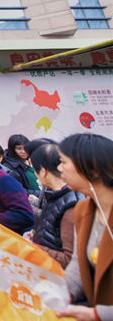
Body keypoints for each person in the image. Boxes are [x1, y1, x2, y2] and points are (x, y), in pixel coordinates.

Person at [55, 133, 113, 321]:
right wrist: (60, 293)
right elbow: (78, 264)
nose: (59, 168)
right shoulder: (82, 210)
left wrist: (99, 314)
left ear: (93, 169)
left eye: (63, 162)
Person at [29, 144, 84, 268]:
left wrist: (32, 248)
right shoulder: (56, 195)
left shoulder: (71, 204)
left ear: (43, 171)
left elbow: (70, 260)